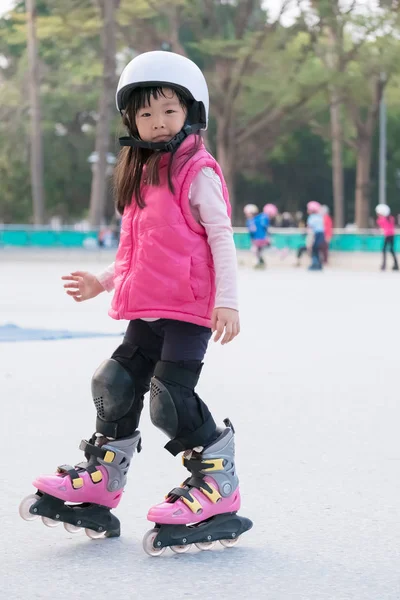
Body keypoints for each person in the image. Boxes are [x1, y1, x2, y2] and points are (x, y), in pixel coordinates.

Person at [19, 51, 252, 553]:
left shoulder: (198, 172)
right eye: (145, 114)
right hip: (147, 307)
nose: (157, 122)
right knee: (115, 383)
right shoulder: (142, 175)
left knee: (169, 402)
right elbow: (137, 252)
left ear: (191, 111)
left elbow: (222, 238)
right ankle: (103, 479)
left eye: (168, 110)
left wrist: (228, 302)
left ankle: (217, 484)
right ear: (131, 122)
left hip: (188, 310)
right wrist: (102, 281)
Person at [243, 203, 270, 269]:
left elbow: (252, 231)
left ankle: (258, 262)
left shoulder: (251, 221)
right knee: (258, 251)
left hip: (259, 239)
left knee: (255, 251)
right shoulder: (260, 218)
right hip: (260, 239)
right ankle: (260, 262)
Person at [375, 203, 399, 271]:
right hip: (392, 236)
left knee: (384, 250)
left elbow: (379, 223)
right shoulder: (391, 218)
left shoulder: (382, 220)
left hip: (388, 236)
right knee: (391, 250)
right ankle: (396, 264)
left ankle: (384, 265)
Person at [306, 201, 325, 271]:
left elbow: (310, 228)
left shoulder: (311, 217)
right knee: (318, 250)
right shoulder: (320, 217)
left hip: (315, 235)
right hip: (321, 234)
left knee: (314, 250)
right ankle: (319, 264)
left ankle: (315, 264)